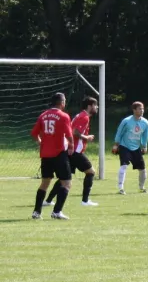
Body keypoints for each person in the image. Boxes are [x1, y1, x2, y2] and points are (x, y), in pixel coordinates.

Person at [44, 97, 99, 207]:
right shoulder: (84, 117)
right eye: (95, 105)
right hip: (75, 151)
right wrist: (86, 137)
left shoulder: (80, 115)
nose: (97, 107)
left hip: (70, 150)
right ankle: (85, 201)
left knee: (64, 178)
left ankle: (48, 201)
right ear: (89, 106)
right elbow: (75, 132)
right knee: (91, 172)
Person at [30, 92, 74, 220]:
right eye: (64, 100)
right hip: (59, 153)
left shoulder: (43, 115)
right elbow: (69, 134)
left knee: (44, 183)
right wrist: (71, 146)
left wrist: (40, 142)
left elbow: (34, 133)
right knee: (66, 183)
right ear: (61, 103)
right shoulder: (63, 116)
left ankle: (36, 212)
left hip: (45, 155)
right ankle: (57, 212)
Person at [112, 101, 148, 194]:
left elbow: (145, 135)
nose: (142, 110)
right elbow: (119, 132)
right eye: (139, 109)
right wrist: (116, 144)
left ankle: (141, 187)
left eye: (143, 109)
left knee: (142, 169)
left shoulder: (145, 122)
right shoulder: (126, 121)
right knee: (124, 165)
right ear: (134, 110)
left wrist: (144, 146)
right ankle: (121, 188)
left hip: (136, 148)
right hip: (124, 146)